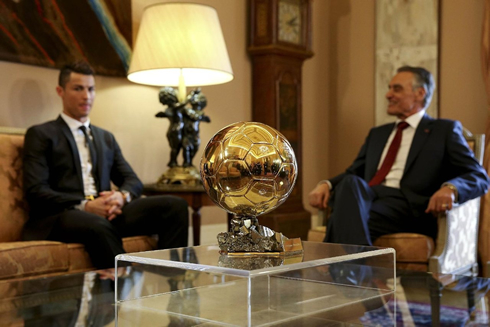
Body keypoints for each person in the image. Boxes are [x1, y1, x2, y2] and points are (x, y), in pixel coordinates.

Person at [22, 61, 189, 269]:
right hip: (61, 216)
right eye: (78, 88)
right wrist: (86, 205)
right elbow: (36, 191)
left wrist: (121, 196)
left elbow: (132, 181)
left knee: (175, 207)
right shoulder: (41, 134)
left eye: (91, 89)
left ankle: (174, 286)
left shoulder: (105, 138)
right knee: (98, 225)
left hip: (105, 214)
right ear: (60, 91)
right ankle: (127, 293)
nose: (87, 96)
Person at [308, 66, 490, 246]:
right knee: (350, 185)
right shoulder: (377, 134)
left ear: (420, 93)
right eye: (389, 88)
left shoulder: (443, 131)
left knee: (344, 217)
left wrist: (451, 188)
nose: (388, 94)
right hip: (369, 199)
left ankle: (344, 270)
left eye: (397, 89)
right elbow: (354, 172)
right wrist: (327, 184)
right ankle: (362, 272)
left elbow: (479, 177)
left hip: (409, 208)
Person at [155, 86, 186, 168]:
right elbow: (183, 103)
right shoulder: (173, 108)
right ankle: (173, 162)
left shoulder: (170, 109)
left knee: (178, 147)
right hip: (175, 130)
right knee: (175, 148)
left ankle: (174, 162)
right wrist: (192, 95)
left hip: (177, 130)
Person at [182, 88, 210, 168]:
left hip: (195, 136)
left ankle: (189, 163)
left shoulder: (200, 113)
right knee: (186, 148)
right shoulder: (187, 111)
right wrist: (190, 95)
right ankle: (186, 163)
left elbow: (201, 117)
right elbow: (192, 115)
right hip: (187, 135)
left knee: (194, 150)